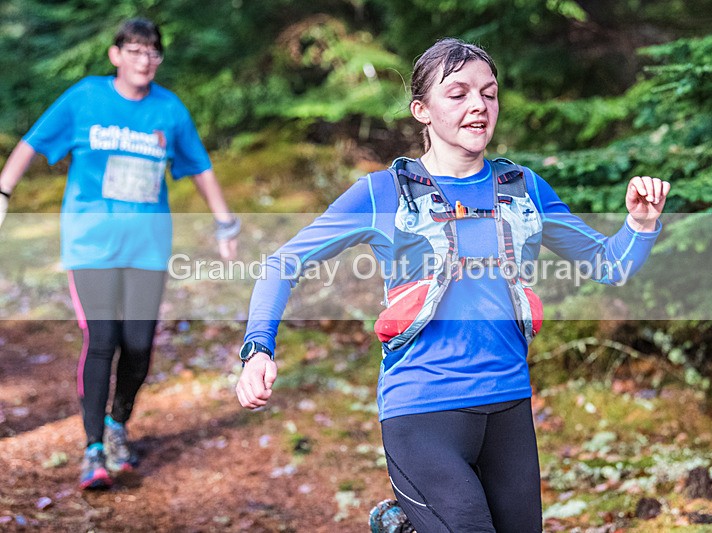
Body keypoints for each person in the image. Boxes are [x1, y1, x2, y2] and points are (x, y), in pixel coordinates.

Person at [236, 38, 670, 532]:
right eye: (458, 93)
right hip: (421, 412)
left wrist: (640, 224)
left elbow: (607, 264)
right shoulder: (382, 195)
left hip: (508, 407)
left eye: (489, 93)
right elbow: (282, 263)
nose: (478, 107)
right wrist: (258, 349)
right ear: (422, 110)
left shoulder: (522, 189)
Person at [0, 18, 240, 490]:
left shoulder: (169, 110)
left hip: (148, 247)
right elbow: (31, 143)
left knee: (138, 345)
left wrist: (224, 222)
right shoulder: (86, 97)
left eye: (152, 52)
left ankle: (117, 425)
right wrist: (3, 191)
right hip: (91, 244)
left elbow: (200, 167)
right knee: (103, 339)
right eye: (133, 50)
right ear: (115, 56)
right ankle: (92, 448)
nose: (143, 60)